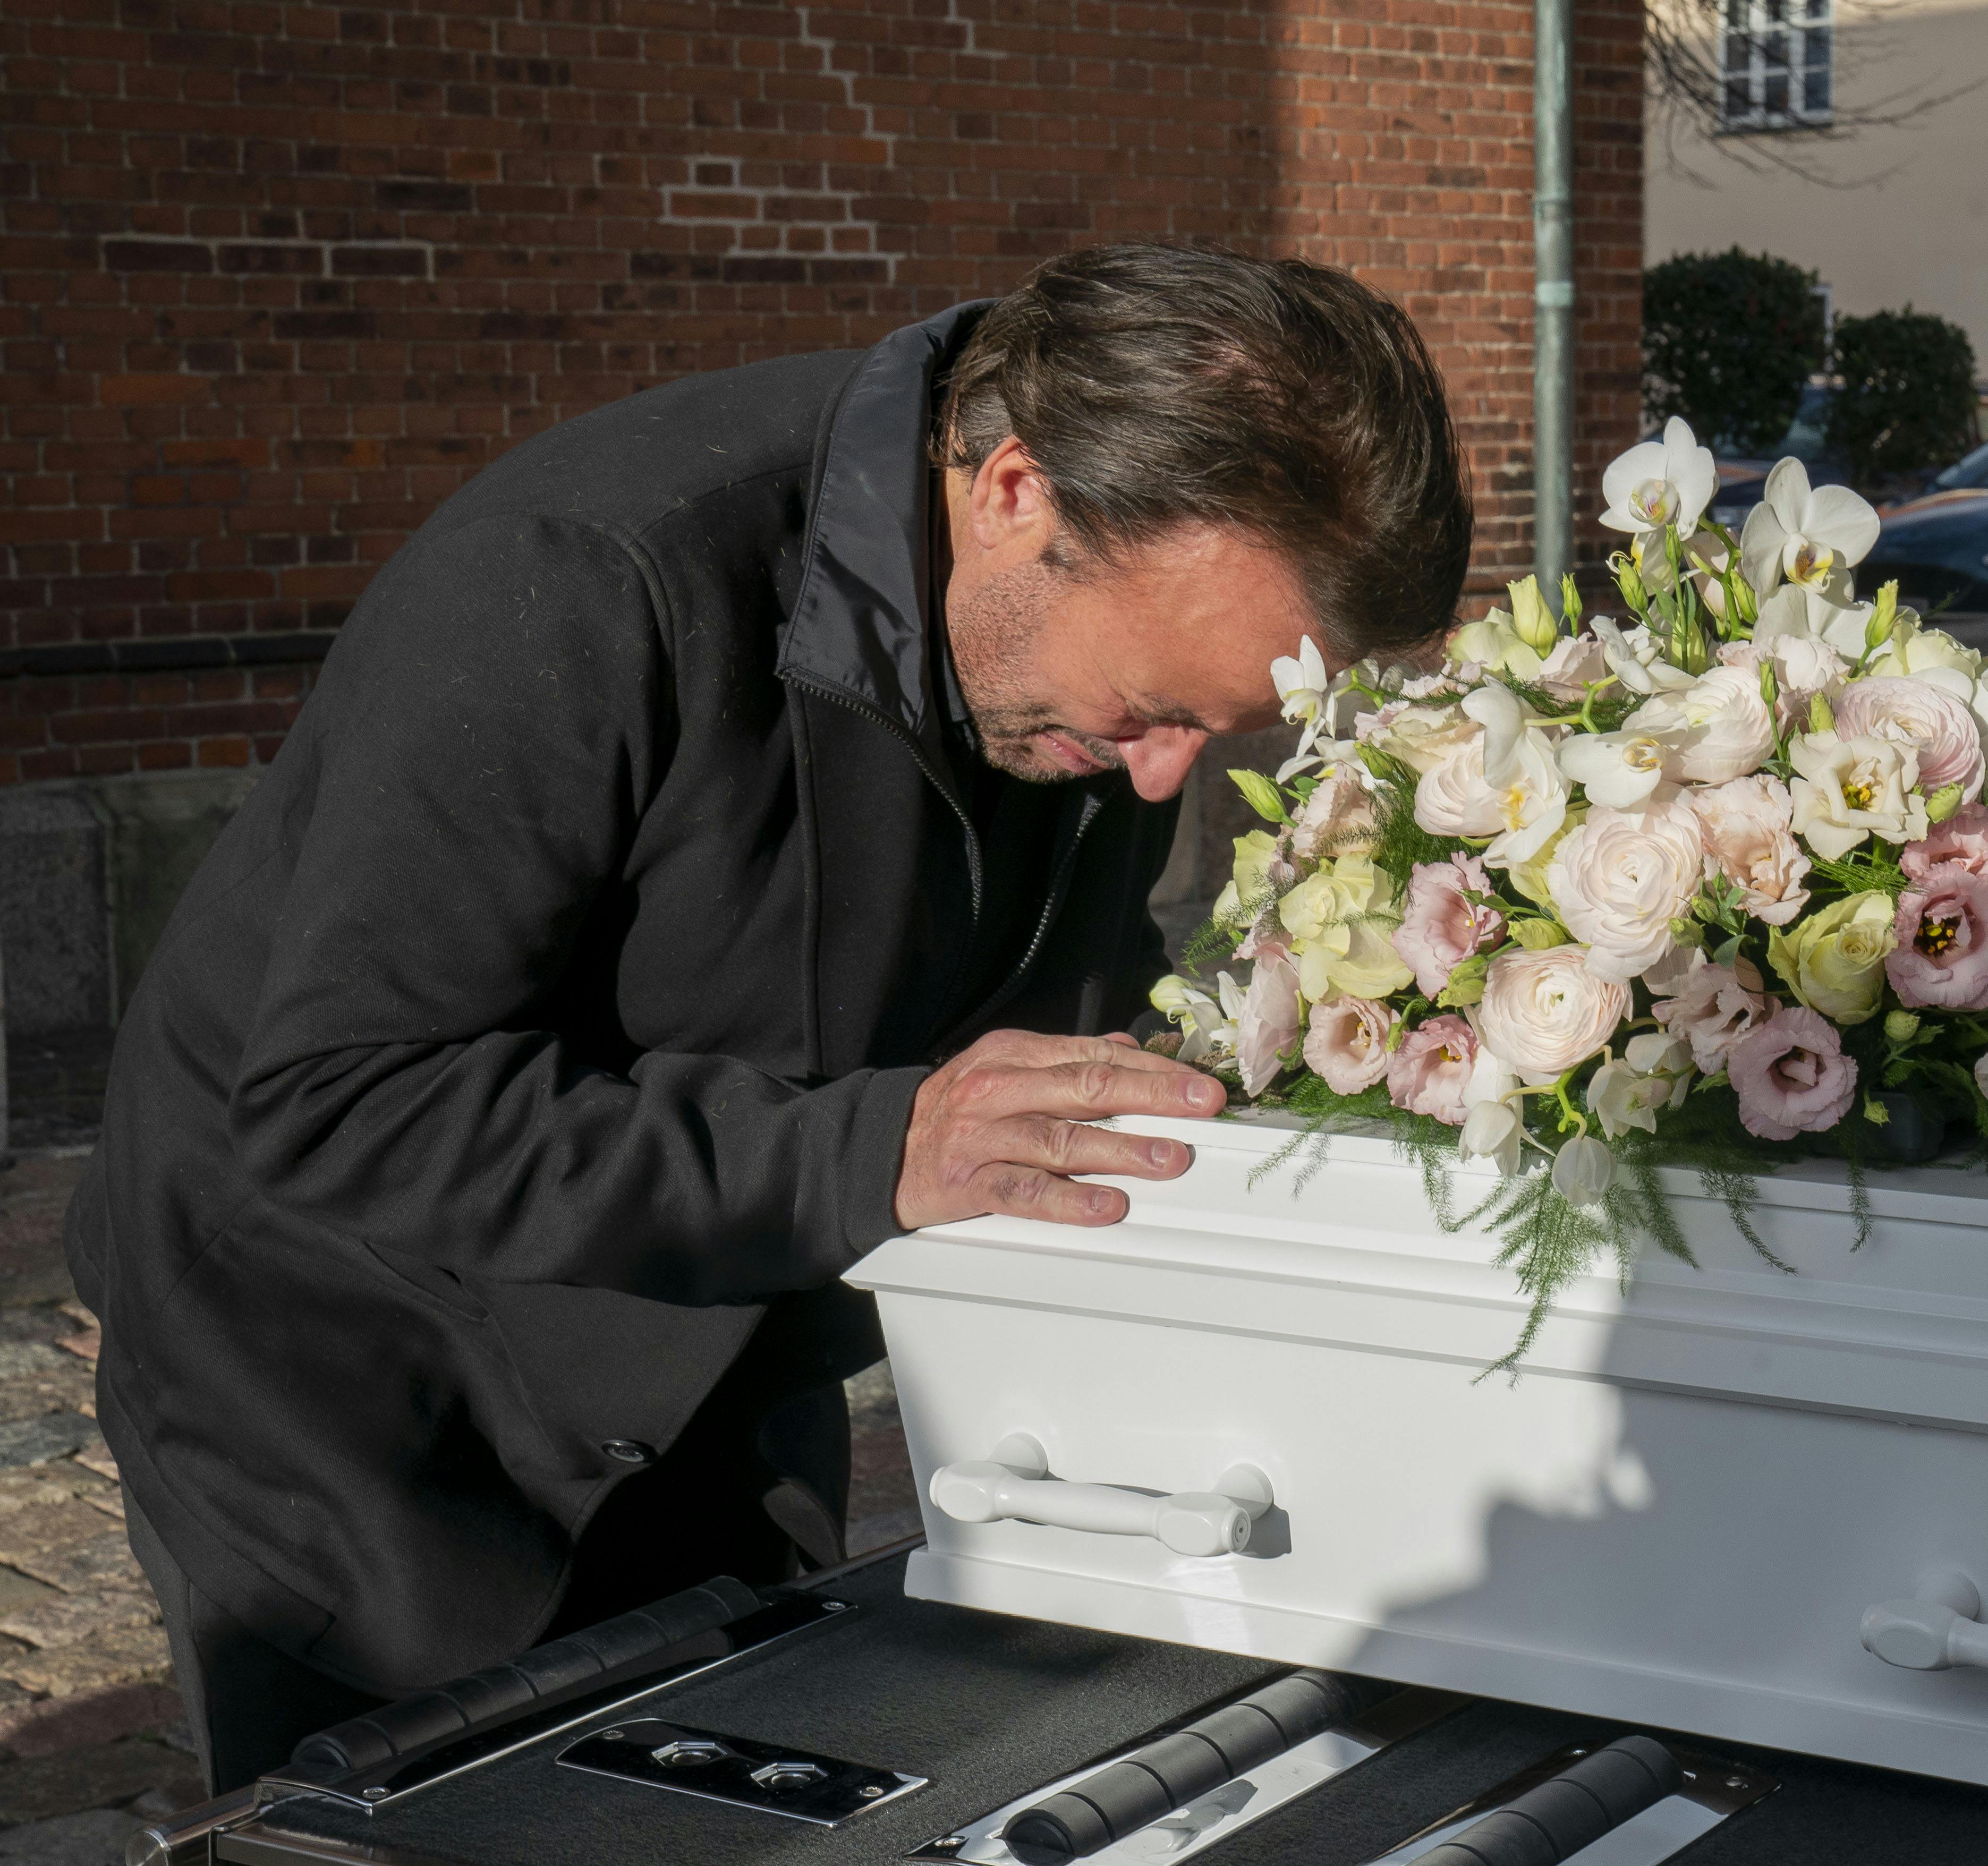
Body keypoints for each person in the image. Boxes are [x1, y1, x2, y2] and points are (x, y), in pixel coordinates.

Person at [66, 243, 1473, 1788]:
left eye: (1212, 731)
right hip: (343, 1390)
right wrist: (876, 1151)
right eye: (1154, 710)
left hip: (710, 1361)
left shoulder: (1069, 639)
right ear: (1017, 491)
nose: (1162, 780)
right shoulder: (592, 572)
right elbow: (342, 1099)